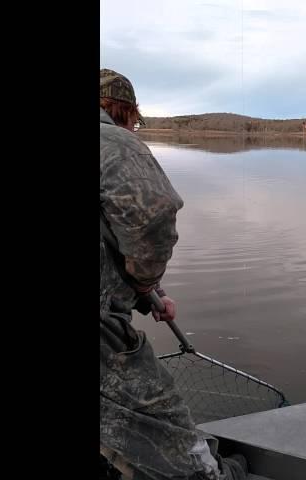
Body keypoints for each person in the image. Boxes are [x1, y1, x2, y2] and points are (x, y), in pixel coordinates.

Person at [99, 69, 247, 480]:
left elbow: (110, 233)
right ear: (124, 111)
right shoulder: (113, 141)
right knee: (161, 418)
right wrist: (146, 282)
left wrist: (151, 296)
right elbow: (152, 216)